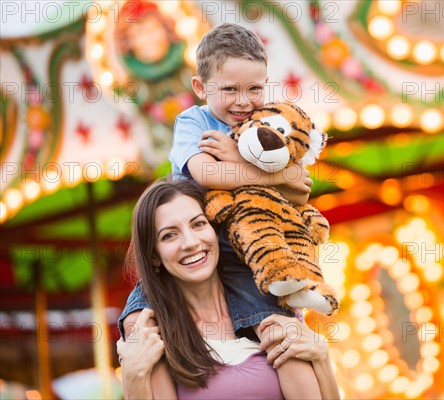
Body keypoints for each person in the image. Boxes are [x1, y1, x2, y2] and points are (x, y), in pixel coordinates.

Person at [119, 22, 327, 398]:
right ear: (201, 88)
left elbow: (301, 184)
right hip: (205, 243)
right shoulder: (194, 122)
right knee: (141, 318)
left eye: (254, 89)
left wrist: (245, 160)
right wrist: (265, 171)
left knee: (280, 333)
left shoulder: (266, 122)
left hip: (245, 257)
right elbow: (204, 171)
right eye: (229, 89)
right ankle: (137, 369)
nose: (243, 102)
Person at [117, 179, 339, 399]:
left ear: (215, 231)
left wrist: (322, 358)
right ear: (154, 256)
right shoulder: (158, 336)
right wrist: (133, 376)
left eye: (198, 224)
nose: (191, 242)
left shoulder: (267, 305)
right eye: (169, 235)